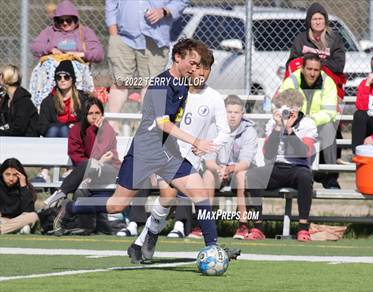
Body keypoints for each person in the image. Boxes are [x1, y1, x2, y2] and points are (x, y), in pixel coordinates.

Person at [58, 39, 240, 263]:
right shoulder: (160, 83)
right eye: (192, 63)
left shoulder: (183, 83)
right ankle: (74, 207)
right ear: (177, 58)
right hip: (145, 152)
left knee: (200, 194)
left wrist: (189, 142)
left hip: (169, 153)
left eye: (198, 64)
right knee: (117, 205)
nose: (195, 68)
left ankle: (213, 248)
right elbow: (163, 124)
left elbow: (176, 122)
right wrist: (196, 140)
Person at [147, 47, 231, 239]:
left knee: (193, 196)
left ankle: (211, 246)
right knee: (169, 195)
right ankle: (149, 236)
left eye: (207, 68)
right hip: (166, 154)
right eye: (199, 66)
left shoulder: (215, 98)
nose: (202, 72)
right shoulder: (176, 89)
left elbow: (225, 131)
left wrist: (208, 146)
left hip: (191, 159)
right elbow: (159, 123)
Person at [244, 89, 317, 242]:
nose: (288, 112)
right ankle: (257, 226)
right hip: (276, 167)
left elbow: (305, 152)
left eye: (291, 108)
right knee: (252, 176)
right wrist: (278, 128)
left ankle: (303, 228)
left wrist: (289, 130)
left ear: (298, 108)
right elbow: (268, 153)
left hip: (298, 167)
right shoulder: (273, 123)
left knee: (305, 177)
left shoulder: (307, 123)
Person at [105, 0, 188, 127]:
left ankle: (145, 128)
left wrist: (164, 11)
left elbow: (182, 1)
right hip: (123, 36)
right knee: (119, 82)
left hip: (156, 38)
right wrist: (113, 31)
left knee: (150, 85)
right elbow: (111, 2)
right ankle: (111, 128)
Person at [44, 96, 121, 208]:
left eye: (97, 113)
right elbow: (75, 155)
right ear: (85, 115)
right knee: (80, 191)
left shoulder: (107, 129)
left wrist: (95, 130)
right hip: (87, 171)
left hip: (109, 170)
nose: (94, 116)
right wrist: (94, 164)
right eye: (90, 113)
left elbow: (99, 153)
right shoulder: (76, 130)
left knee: (88, 165)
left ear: (102, 114)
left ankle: (62, 192)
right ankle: (79, 221)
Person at [202, 95, 260, 240]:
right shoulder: (214, 129)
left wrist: (230, 169)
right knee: (208, 175)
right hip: (218, 170)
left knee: (241, 175)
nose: (232, 116)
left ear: (242, 114)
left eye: (236, 112)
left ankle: (242, 225)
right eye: (229, 112)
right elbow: (208, 161)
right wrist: (219, 170)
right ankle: (205, 223)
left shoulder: (249, 131)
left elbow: (245, 162)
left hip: (237, 170)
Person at [279, 53, 340, 189]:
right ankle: (297, 176)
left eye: (316, 70)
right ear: (302, 69)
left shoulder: (328, 82)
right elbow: (283, 106)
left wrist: (311, 120)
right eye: (309, 69)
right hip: (296, 122)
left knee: (330, 127)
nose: (312, 73)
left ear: (320, 70)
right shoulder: (292, 81)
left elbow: (330, 112)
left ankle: (330, 178)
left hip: (318, 123)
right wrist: (298, 119)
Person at [30, 0, 104, 107]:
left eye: (68, 20)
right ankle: (44, 106)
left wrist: (82, 54)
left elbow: (99, 53)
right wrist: (51, 49)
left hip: (75, 74)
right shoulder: (50, 31)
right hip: (52, 75)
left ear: (75, 20)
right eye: (61, 21)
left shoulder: (85, 32)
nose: (64, 23)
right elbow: (35, 47)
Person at [35, 60, 89, 183]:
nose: (62, 80)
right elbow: (41, 126)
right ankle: (45, 172)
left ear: (73, 79)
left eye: (66, 76)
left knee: (65, 129)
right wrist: (60, 126)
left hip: (77, 139)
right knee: (56, 128)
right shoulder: (48, 101)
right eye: (59, 77)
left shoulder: (83, 99)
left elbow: (88, 123)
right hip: (53, 138)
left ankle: (69, 169)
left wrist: (74, 127)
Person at [287, 2, 345, 98]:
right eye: (314, 19)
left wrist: (318, 62)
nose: (318, 22)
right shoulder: (301, 39)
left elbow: (339, 66)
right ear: (309, 21)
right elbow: (291, 63)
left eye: (320, 19)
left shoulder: (334, 39)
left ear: (325, 21)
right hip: (304, 82)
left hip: (328, 82)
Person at [0, 158, 39, 234]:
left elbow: (29, 211)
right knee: (25, 227)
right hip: (3, 220)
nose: (11, 178)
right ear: (2, 174)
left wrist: (23, 186)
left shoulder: (25, 187)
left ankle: (6, 229)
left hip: (20, 219)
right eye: (7, 174)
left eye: (15, 175)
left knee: (33, 216)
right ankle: (17, 229)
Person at [0, 65, 38, 137]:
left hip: (27, 141)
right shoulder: (6, 99)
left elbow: (19, 128)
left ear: (5, 79)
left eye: (1, 75)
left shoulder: (23, 101)